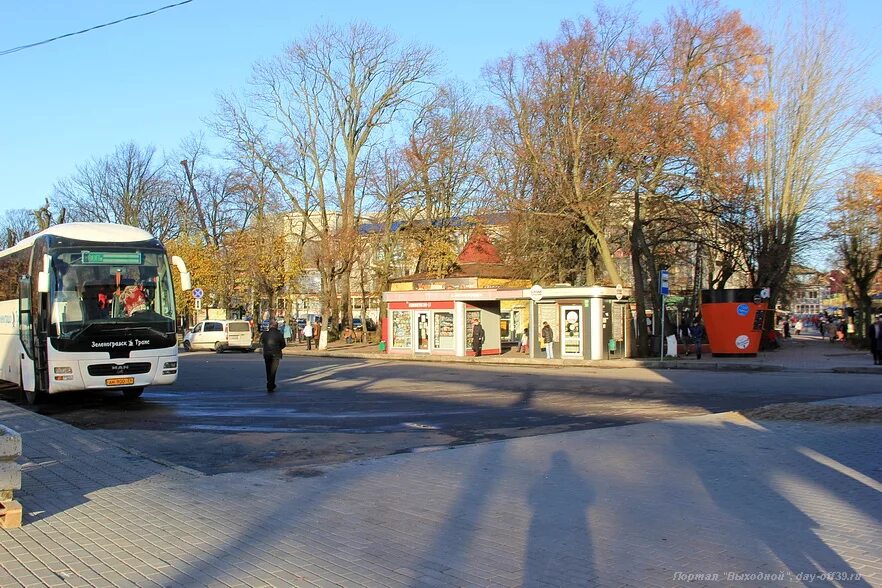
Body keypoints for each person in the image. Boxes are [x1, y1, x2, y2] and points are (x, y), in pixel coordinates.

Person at [259, 320, 286, 392]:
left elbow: (261, 342)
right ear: (276, 326)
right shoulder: (279, 334)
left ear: (269, 326)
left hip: (267, 354)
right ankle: (271, 384)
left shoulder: (264, 334)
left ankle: (270, 383)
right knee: (273, 370)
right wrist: (278, 348)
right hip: (276, 354)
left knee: (268, 369)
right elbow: (283, 344)